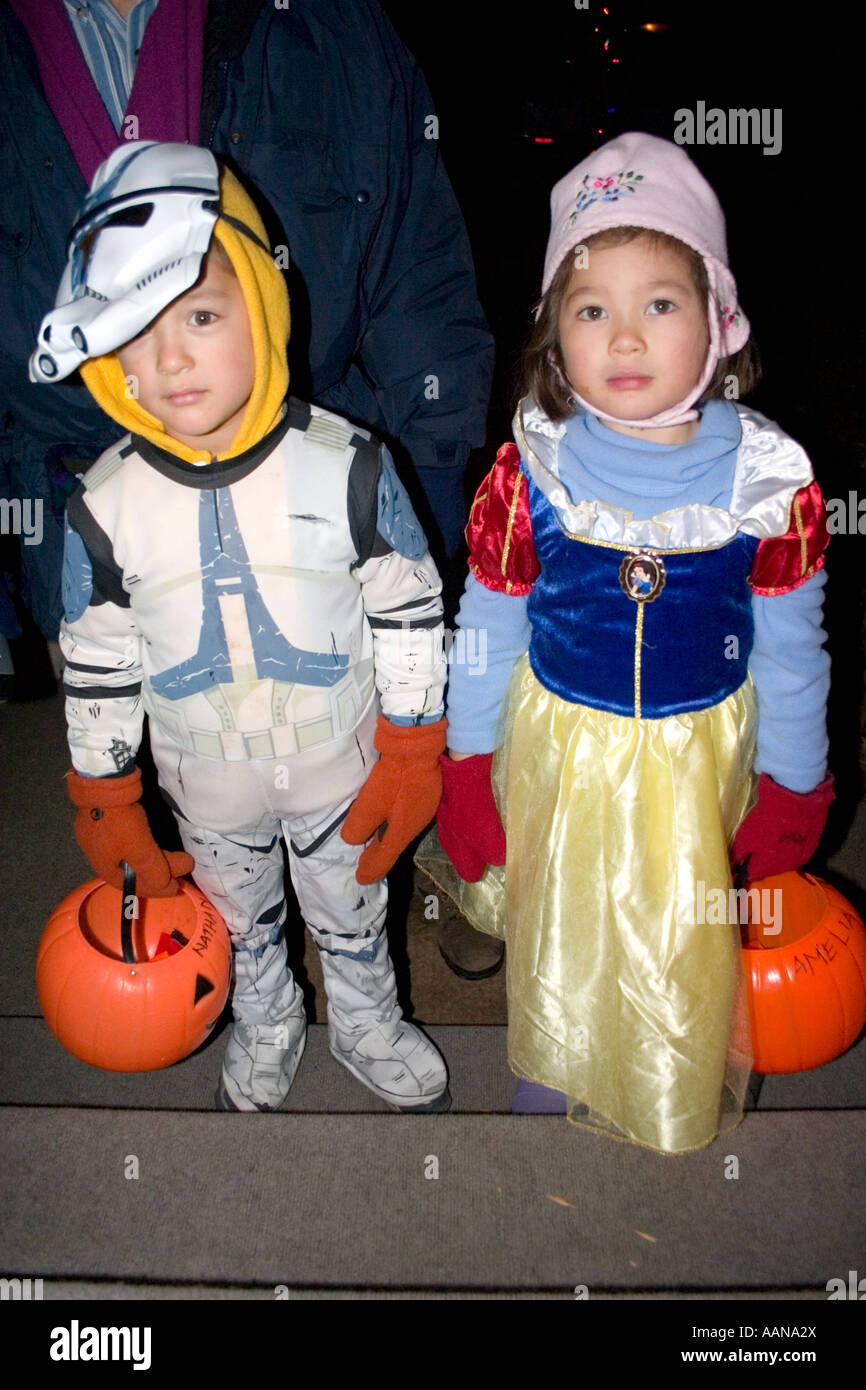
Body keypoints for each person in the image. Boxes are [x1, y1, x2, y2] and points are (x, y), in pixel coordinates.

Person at [419, 132, 834, 1153]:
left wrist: (795, 777)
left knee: (675, 930)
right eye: (589, 308)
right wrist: (465, 763)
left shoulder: (766, 483)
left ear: (718, 324)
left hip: (695, 754)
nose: (627, 337)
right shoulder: (530, 473)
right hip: (562, 747)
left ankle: (667, 1073)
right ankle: (556, 1055)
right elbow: (485, 626)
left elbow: (791, 646)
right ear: (553, 338)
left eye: (660, 302)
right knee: (565, 919)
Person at [34, 140, 451, 1113]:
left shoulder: (348, 464)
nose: (171, 356)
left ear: (262, 305)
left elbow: (408, 605)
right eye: (137, 330)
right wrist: (107, 794)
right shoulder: (103, 508)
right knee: (240, 920)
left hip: (339, 764)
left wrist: (413, 740)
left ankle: (364, 1024)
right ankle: (264, 1020)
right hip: (204, 780)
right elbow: (95, 660)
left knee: (352, 912)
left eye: (203, 314)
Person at [0, 0, 493, 644]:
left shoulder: (329, 24)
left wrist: (429, 479)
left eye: (199, 315)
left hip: (314, 515)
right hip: (77, 506)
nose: (170, 358)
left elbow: (418, 262)